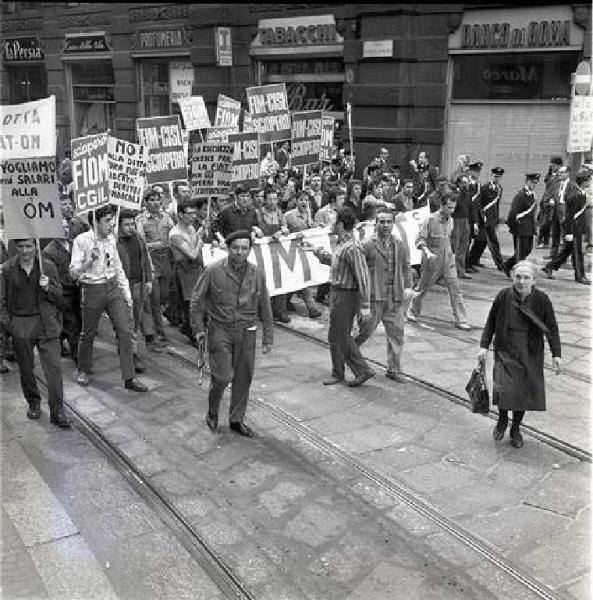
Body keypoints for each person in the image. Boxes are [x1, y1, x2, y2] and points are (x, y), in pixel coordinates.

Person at [190, 230, 273, 437]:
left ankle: (237, 419)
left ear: (249, 250)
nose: (239, 252)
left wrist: (268, 337)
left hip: (247, 330)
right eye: (235, 248)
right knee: (222, 376)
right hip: (220, 330)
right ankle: (213, 410)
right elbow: (196, 300)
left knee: (244, 377)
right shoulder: (213, 270)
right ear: (228, 249)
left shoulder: (256, 273)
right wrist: (199, 329)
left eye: (244, 248)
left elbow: (265, 304)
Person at [478, 261, 561, 448]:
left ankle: (516, 428)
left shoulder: (542, 300)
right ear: (512, 278)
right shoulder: (503, 296)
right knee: (504, 388)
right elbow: (491, 321)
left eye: (526, 278)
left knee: (523, 392)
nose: (521, 281)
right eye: (518, 277)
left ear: (534, 281)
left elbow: (552, 328)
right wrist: (484, 345)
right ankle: (502, 420)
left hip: (529, 351)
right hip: (505, 348)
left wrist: (556, 354)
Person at [70, 205, 148, 392]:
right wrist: (89, 261)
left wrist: (126, 293)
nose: (112, 223)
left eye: (112, 219)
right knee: (88, 333)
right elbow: (73, 273)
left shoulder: (112, 239)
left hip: (113, 288)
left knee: (125, 331)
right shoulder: (82, 241)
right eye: (107, 220)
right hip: (92, 288)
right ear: (95, 222)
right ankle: (83, 369)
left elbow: (118, 267)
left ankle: (129, 377)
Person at [0, 238, 71, 427]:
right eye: (21, 246)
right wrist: (11, 326)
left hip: (46, 323)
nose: (25, 251)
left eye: (29, 246)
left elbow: (60, 299)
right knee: (26, 369)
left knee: (54, 370)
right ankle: (33, 402)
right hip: (21, 324)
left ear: (36, 246)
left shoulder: (48, 267)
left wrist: (48, 287)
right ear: (16, 247)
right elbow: (2, 303)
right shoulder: (7, 269)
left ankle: (58, 411)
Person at [309, 208, 376, 387]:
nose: (331, 226)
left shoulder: (352, 247)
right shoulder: (343, 245)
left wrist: (365, 306)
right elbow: (337, 263)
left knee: (341, 336)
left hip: (346, 296)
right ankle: (340, 371)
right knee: (335, 335)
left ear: (340, 224)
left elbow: (363, 277)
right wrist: (318, 252)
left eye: (334, 222)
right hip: (339, 294)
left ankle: (360, 369)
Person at [354, 211, 414, 382]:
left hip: (394, 296)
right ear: (376, 224)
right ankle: (349, 357)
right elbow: (359, 270)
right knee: (363, 332)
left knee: (396, 334)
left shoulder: (399, 244)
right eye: (382, 222)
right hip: (374, 297)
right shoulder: (367, 245)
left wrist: (408, 285)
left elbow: (405, 265)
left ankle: (393, 370)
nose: (385, 225)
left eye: (389, 222)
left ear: (393, 224)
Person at [407, 194, 471, 330]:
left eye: (454, 208)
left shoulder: (451, 221)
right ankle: (412, 311)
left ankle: (461, 318)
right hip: (432, 261)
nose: (452, 211)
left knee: (455, 289)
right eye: (449, 207)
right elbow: (420, 240)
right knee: (422, 288)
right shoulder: (430, 220)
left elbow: (448, 239)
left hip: (448, 261)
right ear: (442, 205)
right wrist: (427, 252)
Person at [117, 210, 154, 373]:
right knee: (127, 323)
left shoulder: (139, 238)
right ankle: (131, 355)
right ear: (119, 226)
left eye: (132, 224)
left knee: (136, 321)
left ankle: (128, 349)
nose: (130, 227)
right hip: (122, 287)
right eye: (126, 224)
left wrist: (149, 280)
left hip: (139, 285)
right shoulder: (115, 242)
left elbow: (145, 259)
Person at [136, 187, 175, 342]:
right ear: (145, 202)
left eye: (157, 199)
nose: (155, 202)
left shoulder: (167, 217)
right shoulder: (141, 220)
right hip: (150, 260)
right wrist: (155, 245)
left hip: (166, 260)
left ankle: (157, 322)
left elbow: (173, 235)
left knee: (165, 295)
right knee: (155, 298)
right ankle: (158, 330)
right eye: (151, 200)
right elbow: (142, 242)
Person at [42, 218, 82, 364]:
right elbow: (52, 276)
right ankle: (77, 356)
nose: (65, 230)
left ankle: (62, 343)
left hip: (78, 290)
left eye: (67, 227)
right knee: (72, 324)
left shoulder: (74, 244)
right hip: (64, 294)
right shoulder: (49, 251)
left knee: (79, 321)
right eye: (61, 227)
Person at [542, 170, 591, 285]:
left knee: (566, 251)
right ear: (584, 182)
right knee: (578, 253)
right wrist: (569, 233)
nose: (590, 182)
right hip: (573, 229)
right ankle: (580, 276)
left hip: (577, 228)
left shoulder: (581, 193)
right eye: (588, 180)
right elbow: (569, 215)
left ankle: (549, 267)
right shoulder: (575, 196)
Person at [170, 202, 205, 342]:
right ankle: (192, 332)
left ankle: (188, 326)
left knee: (198, 300)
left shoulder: (191, 228)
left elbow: (194, 240)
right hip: (184, 270)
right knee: (190, 302)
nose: (193, 217)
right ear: (180, 215)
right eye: (189, 214)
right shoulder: (175, 234)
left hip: (195, 269)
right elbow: (191, 254)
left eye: (194, 214)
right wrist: (199, 243)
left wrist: (201, 232)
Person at [285, 191, 323, 319]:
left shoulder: (309, 213)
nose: (304, 202)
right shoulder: (289, 216)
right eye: (301, 200)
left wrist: (318, 226)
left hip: (305, 251)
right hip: (291, 252)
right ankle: (311, 308)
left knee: (299, 278)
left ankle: (286, 301)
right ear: (296, 201)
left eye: (306, 200)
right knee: (300, 278)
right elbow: (283, 230)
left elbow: (310, 228)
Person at [257, 187, 291, 323]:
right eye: (269, 199)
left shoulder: (279, 212)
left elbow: (285, 227)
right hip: (263, 252)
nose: (272, 202)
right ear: (264, 200)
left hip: (278, 251)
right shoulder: (258, 213)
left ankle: (280, 310)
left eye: (275, 199)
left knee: (280, 279)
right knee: (265, 281)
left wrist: (283, 230)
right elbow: (259, 228)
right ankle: (264, 311)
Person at [467, 167, 505, 271]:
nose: (497, 179)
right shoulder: (484, 188)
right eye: (495, 176)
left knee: (490, 241)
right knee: (481, 240)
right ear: (492, 176)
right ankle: (472, 260)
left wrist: (496, 219)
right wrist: (480, 217)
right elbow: (478, 203)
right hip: (482, 219)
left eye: (499, 177)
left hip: (491, 219)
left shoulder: (499, 189)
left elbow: (496, 205)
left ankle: (476, 260)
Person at [503, 173, 540, 277]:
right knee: (520, 254)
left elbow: (532, 215)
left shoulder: (533, 195)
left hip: (529, 229)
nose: (533, 185)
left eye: (535, 183)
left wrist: (534, 229)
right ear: (527, 182)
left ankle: (507, 265)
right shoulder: (520, 195)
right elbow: (512, 214)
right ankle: (518, 275)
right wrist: (513, 228)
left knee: (527, 250)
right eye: (532, 182)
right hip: (520, 229)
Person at [537, 156, 563, 248]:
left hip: (555, 202)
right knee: (544, 222)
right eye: (551, 165)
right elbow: (547, 188)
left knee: (551, 223)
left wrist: (554, 200)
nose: (552, 167)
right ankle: (543, 241)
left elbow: (558, 190)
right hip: (546, 201)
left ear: (559, 166)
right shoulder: (550, 175)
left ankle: (547, 242)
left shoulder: (561, 176)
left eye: (554, 165)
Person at [451, 174, 473, 279]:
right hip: (456, 220)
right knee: (455, 246)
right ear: (459, 183)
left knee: (464, 246)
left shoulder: (468, 193)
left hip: (465, 220)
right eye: (464, 182)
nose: (466, 184)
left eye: (467, 182)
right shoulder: (455, 194)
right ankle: (452, 271)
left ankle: (461, 270)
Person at [465, 161, 483, 273]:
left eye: (478, 171)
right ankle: (464, 265)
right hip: (466, 216)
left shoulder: (478, 185)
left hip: (474, 217)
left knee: (472, 241)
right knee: (465, 243)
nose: (477, 173)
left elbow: (477, 204)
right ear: (470, 171)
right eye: (475, 171)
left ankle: (469, 262)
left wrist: (476, 221)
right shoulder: (466, 184)